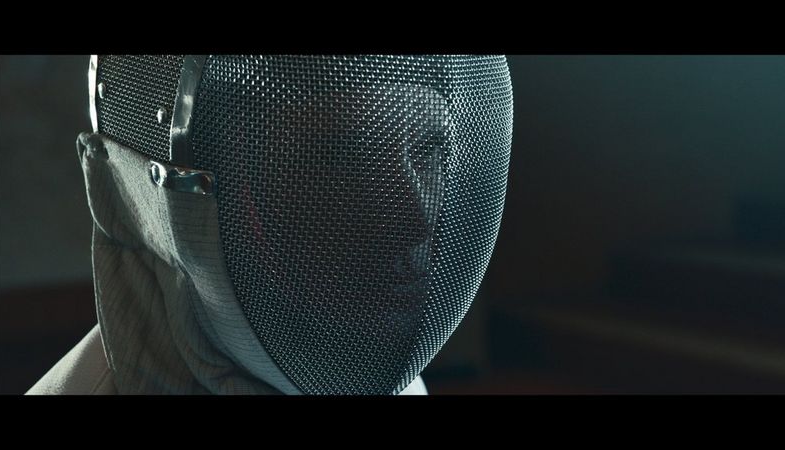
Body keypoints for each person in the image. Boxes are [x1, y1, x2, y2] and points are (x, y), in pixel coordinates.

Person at [27, 55, 513, 395]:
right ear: (166, 206)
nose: (415, 220)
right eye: (344, 160)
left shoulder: (377, 374)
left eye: (427, 152)